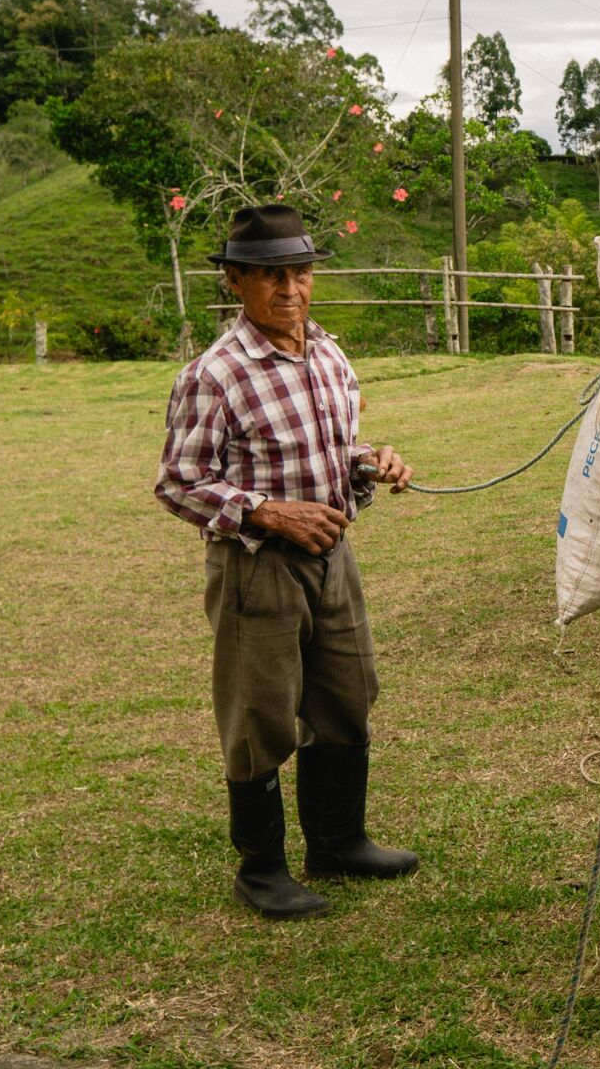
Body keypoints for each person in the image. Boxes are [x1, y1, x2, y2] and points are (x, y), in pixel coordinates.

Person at [155, 204, 418, 919]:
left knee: (346, 694)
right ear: (236, 281)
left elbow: (338, 451)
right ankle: (262, 870)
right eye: (270, 276)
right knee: (260, 714)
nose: (290, 290)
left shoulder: (329, 356)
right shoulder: (215, 374)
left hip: (334, 555)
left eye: (299, 273)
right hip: (258, 567)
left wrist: (372, 462)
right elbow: (178, 482)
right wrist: (267, 512)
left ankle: (338, 841)